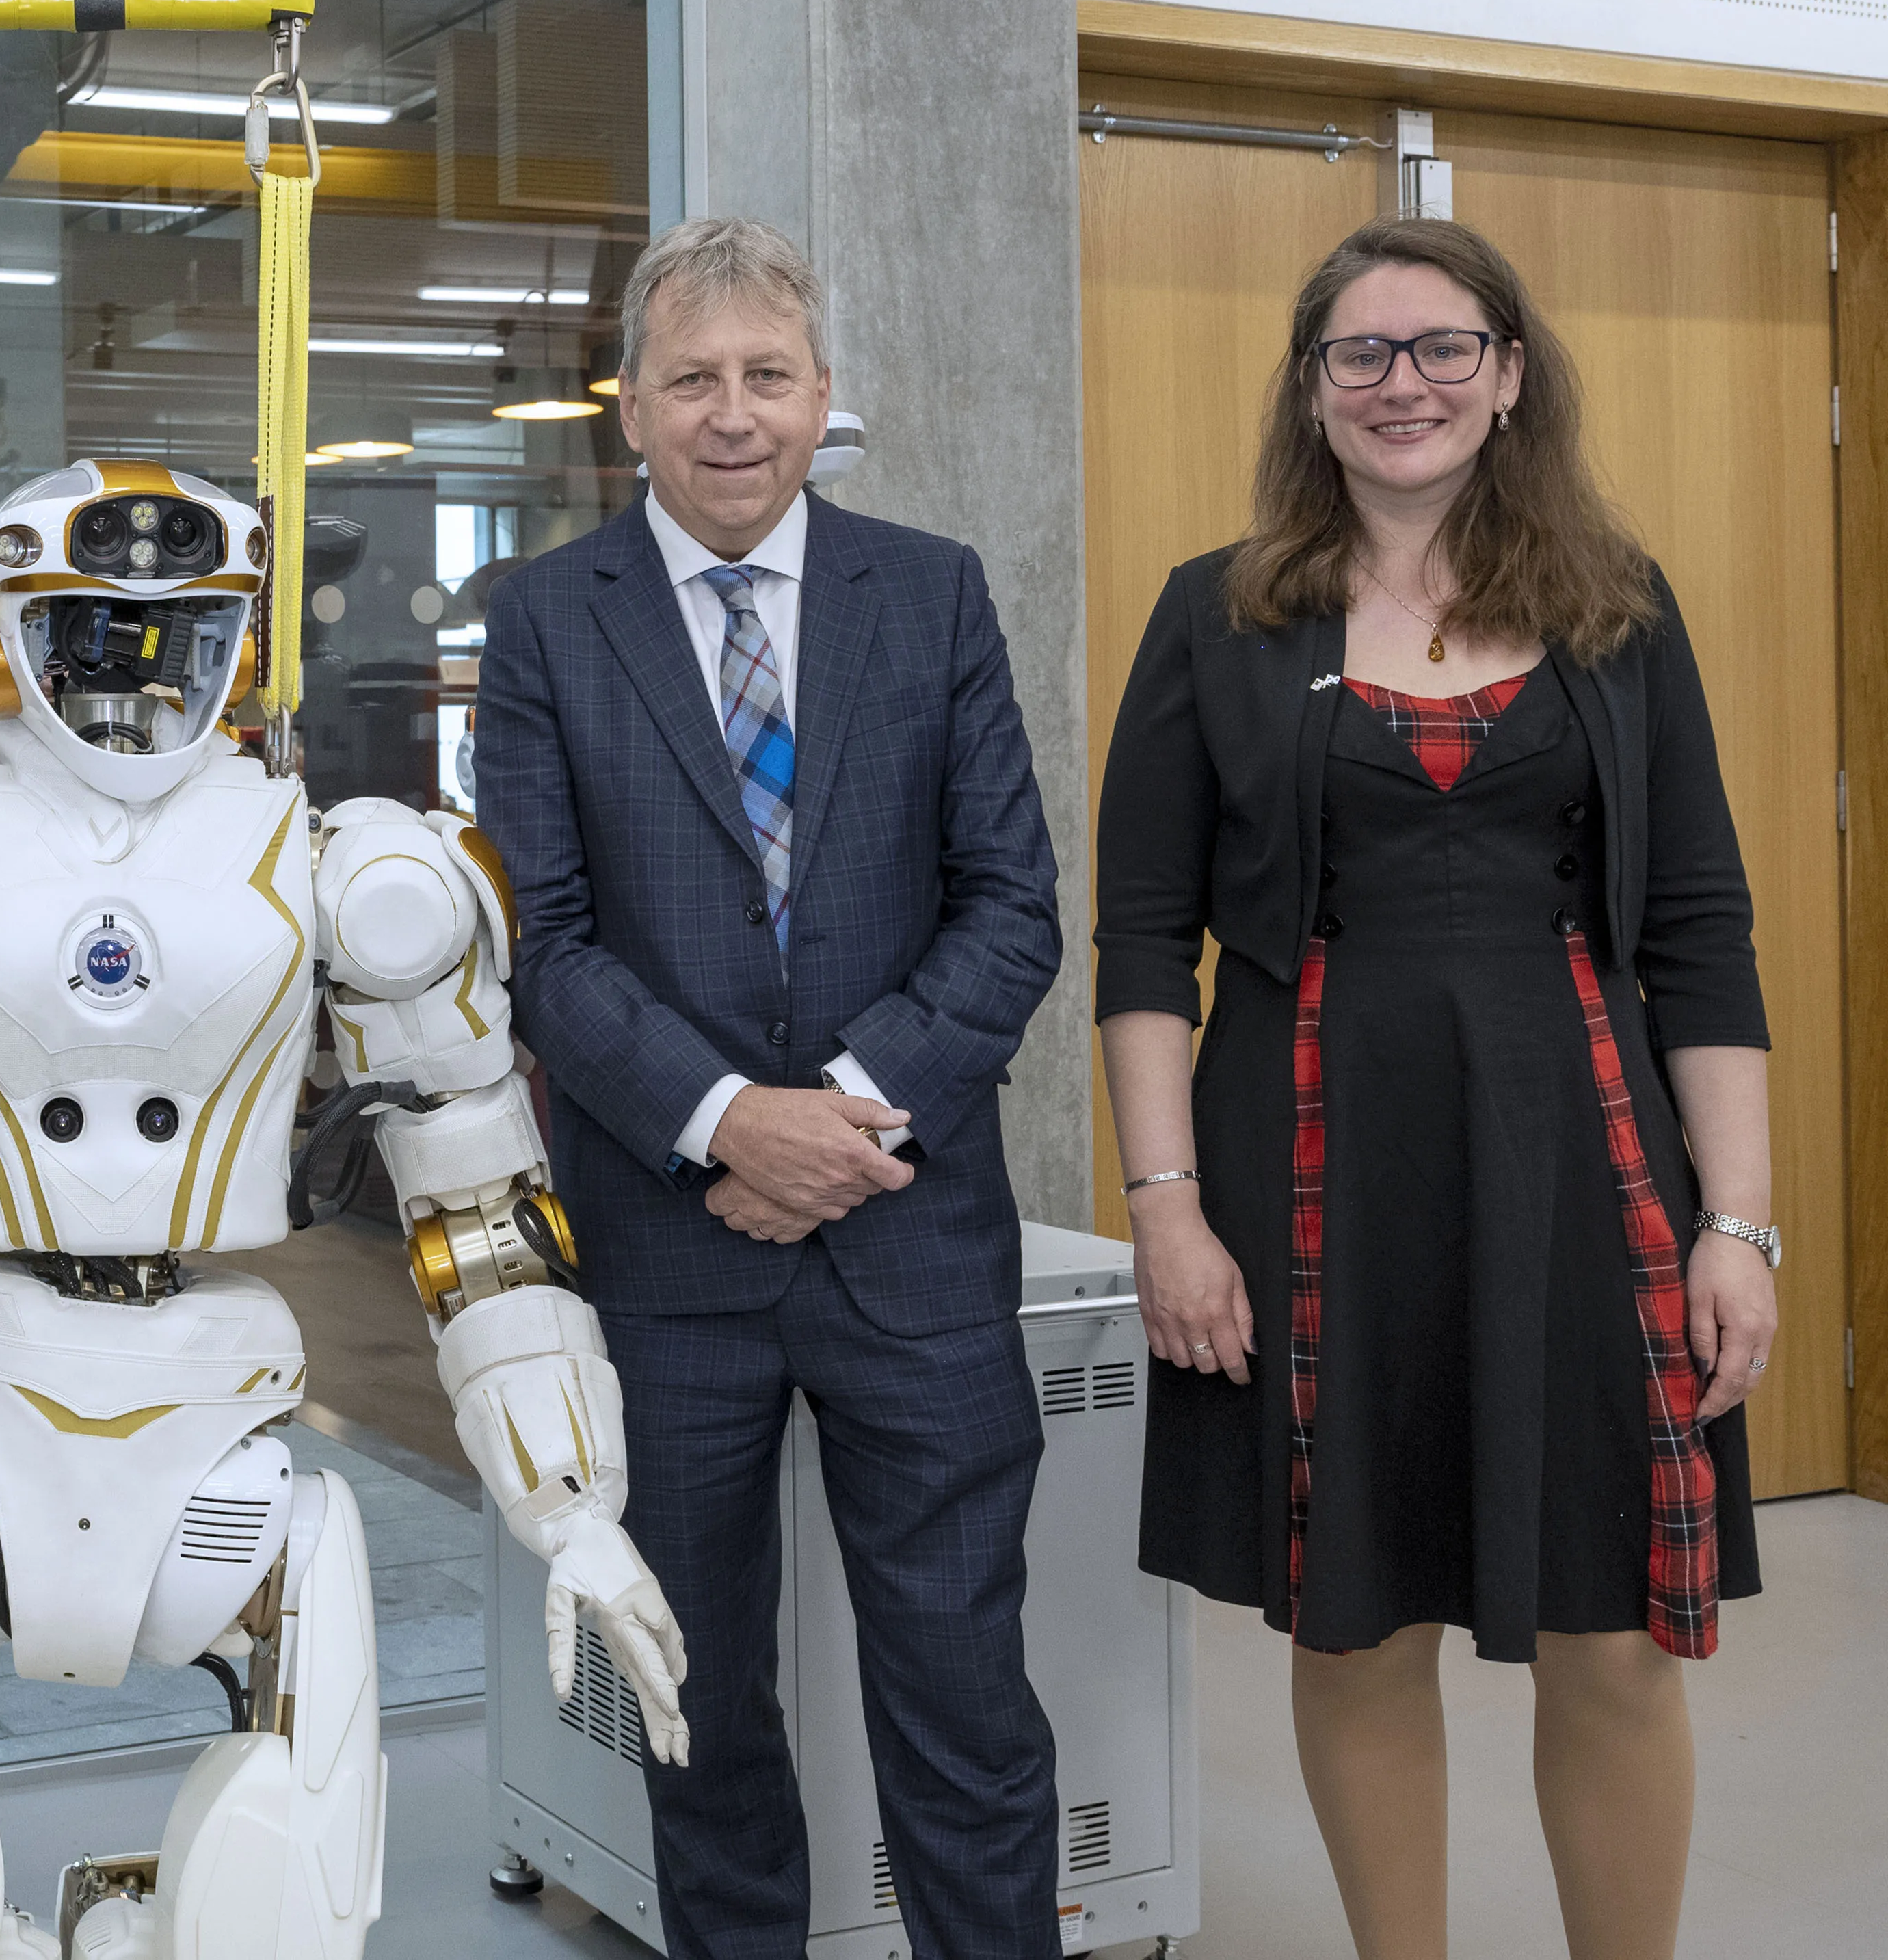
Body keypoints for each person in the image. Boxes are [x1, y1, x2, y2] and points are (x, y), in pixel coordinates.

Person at [1097, 215, 1772, 1960]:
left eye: (1441, 347)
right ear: (1314, 396)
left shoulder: (1618, 608)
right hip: (1314, 1156)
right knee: (1356, 1620)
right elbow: (1138, 943)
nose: (1403, 383)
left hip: (1585, 1162)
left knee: (1615, 1627)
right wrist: (1165, 1211)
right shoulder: (1213, 616)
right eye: (1362, 355)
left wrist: (1740, 1223)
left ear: (1509, 375)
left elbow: (1698, 931)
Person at [475, 216, 1067, 1960]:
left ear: (823, 404)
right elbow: (539, 936)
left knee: (966, 1709)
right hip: (667, 1266)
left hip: (913, 1243)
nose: (730, 416)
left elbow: (1012, 903)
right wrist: (731, 1123)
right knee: (699, 1713)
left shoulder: (933, 589)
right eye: (692, 381)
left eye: (767, 379)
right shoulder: (542, 622)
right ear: (631, 411)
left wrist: (839, 1119)